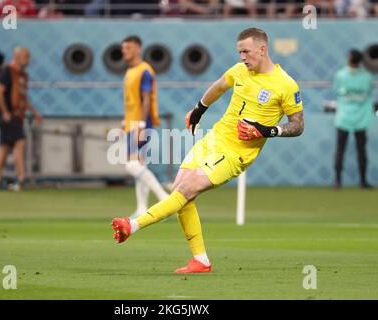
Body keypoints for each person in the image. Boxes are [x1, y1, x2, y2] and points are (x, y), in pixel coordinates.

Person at [111, 28, 304, 274]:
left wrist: (265, 131)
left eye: (246, 51)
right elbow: (219, 86)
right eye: (240, 52)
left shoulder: (285, 85)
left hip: (236, 153)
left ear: (262, 49)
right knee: (180, 190)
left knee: (186, 189)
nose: (243, 57)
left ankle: (132, 225)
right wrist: (199, 109)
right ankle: (200, 260)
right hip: (214, 139)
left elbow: (298, 125)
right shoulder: (239, 71)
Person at [120, 35, 169, 218]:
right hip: (132, 121)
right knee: (139, 165)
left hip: (141, 123)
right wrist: (126, 120)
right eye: (124, 48)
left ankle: (164, 198)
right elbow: (132, 100)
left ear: (138, 49)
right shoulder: (130, 71)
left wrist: (141, 124)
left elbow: (146, 99)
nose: (125, 51)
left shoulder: (144, 71)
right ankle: (142, 208)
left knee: (131, 165)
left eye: (129, 48)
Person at [0, 47, 42, 191]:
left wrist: (34, 113)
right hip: (8, 117)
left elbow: (22, 99)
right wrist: (5, 111)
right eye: (26, 56)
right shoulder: (8, 72)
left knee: (4, 147)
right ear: (17, 56)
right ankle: (21, 178)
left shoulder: (22, 75)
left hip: (15, 116)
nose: (28, 59)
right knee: (20, 143)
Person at [333, 49, 374, 189]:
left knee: (340, 149)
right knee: (362, 151)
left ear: (349, 59)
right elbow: (369, 92)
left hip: (343, 117)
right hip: (361, 118)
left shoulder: (340, 75)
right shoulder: (367, 77)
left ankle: (337, 181)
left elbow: (336, 91)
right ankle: (363, 181)